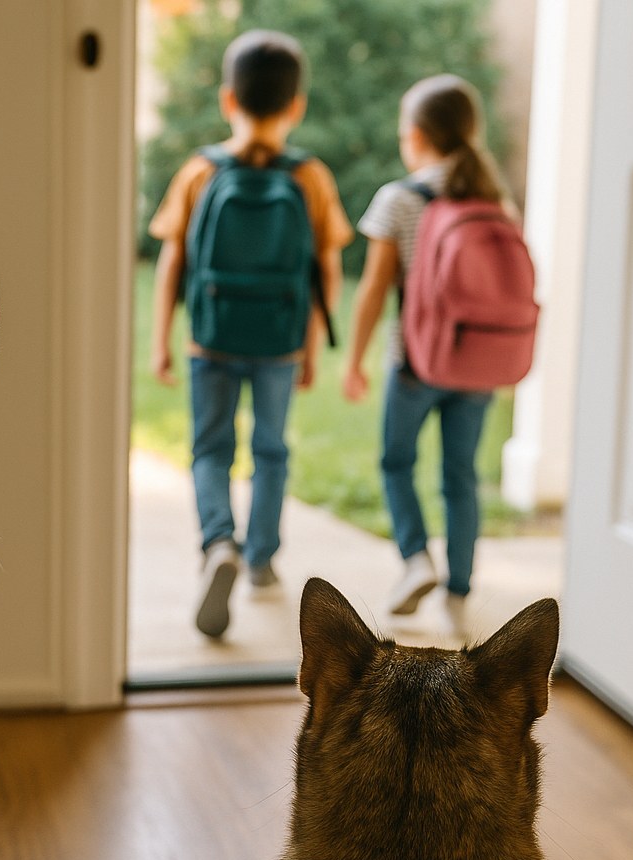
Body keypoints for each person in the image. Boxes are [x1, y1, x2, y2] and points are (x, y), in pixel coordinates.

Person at [148, 30, 352, 639]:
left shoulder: (200, 171)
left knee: (210, 448)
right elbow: (328, 269)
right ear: (297, 106)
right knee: (271, 450)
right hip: (279, 341)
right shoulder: (311, 177)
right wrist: (312, 347)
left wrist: (162, 338)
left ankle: (218, 543)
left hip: (210, 338)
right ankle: (261, 559)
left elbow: (172, 262)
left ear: (226, 99)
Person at [343, 74, 511, 635]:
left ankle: (416, 559)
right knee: (460, 475)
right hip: (477, 365)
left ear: (414, 136)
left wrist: (354, 360)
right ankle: (459, 591)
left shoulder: (398, 199)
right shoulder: (492, 199)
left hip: (415, 362)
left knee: (397, 462)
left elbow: (373, 290)